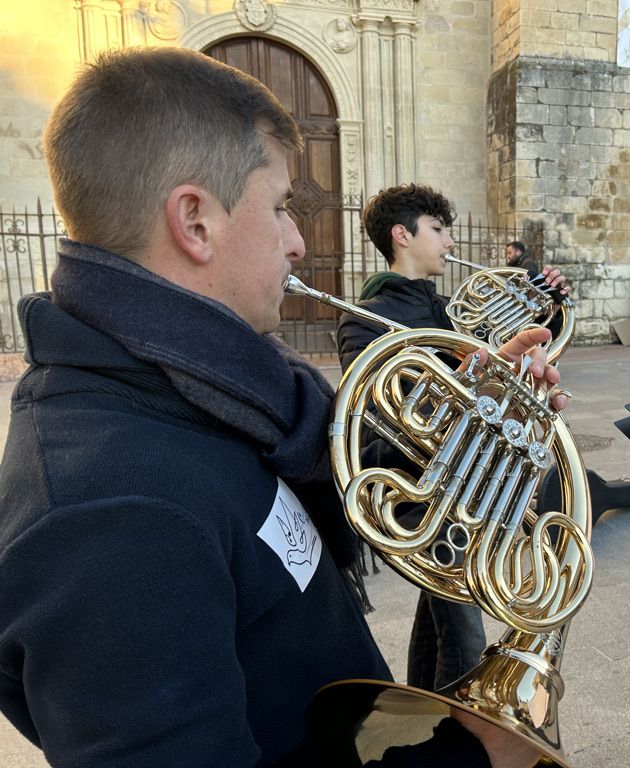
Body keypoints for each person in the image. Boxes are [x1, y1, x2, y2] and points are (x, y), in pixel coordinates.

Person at [0, 46, 554, 768]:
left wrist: (474, 412)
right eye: (282, 206)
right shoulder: (107, 514)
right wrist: (468, 757)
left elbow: (351, 491)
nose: (298, 242)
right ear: (194, 221)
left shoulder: (211, 386)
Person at [337, 184, 569, 693]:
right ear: (402, 235)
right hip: (415, 489)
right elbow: (380, 418)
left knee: (438, 616)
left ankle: (422, 720)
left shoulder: (449, 311)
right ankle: (453, 744)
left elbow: (500, 381)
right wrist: (467, 383)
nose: (448, 242)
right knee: (465, 632)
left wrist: (545, 306)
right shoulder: (367, 316)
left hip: (466, 484)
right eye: (438, 229)